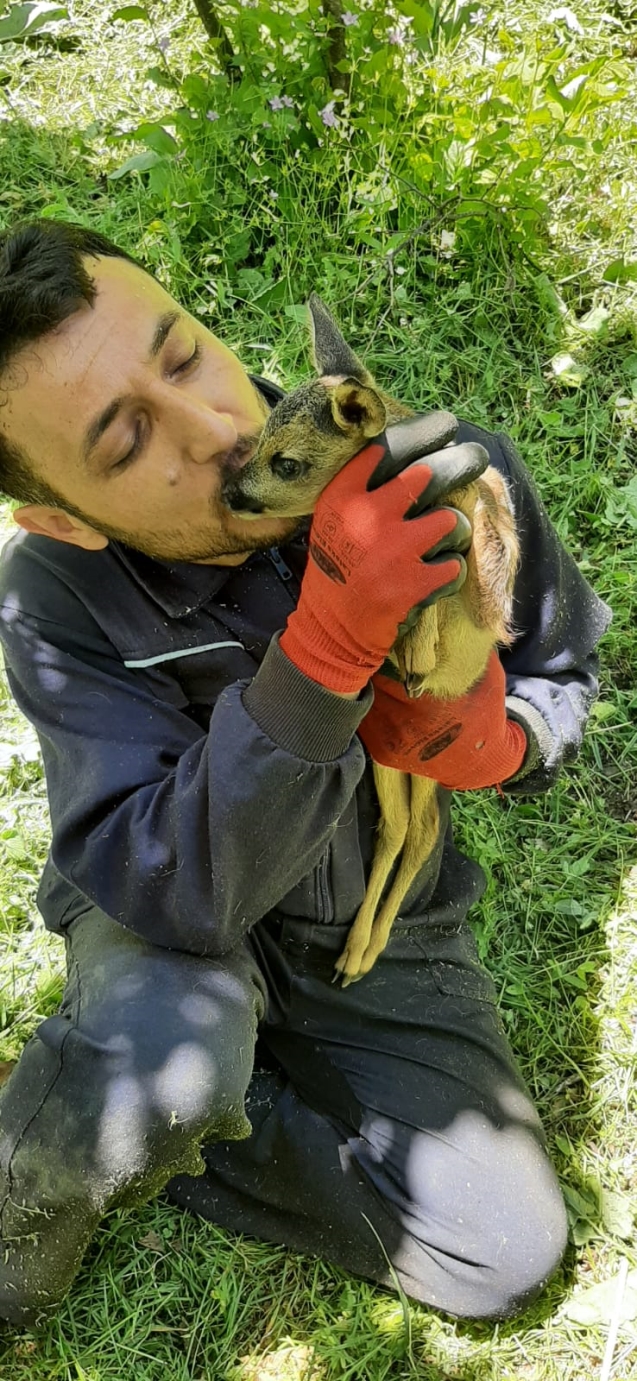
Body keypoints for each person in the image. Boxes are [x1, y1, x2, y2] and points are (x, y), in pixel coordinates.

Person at [0, 220, 611, 1330]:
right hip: (169, 905)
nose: (218, 432)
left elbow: (561, 671)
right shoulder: (55, 603)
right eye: (126, 441)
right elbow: (169, 886)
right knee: (162, 1053)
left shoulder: (443, 480)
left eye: (183, 354)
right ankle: (56, 1160)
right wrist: (322, 652)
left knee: (499, 1253)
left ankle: (160, 1114)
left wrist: (500, 739)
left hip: (377, 923)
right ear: (59, 519)